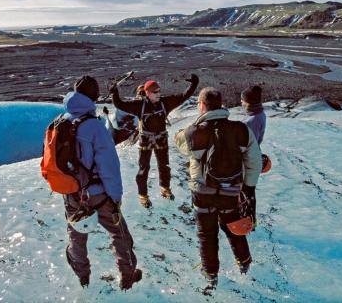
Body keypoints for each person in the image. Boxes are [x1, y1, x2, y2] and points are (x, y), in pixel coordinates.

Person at [174, 87, 261, 290]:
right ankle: (245, 264)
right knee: (233, 228)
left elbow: (179, 143)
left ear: (202, 105)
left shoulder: (196, 132)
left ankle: (211, 277)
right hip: (231, 191)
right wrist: (248, 188)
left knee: (207, 234)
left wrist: (196, 123)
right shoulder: (240, 129)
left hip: (202, 192)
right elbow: (254, 162)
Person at [62, 75, 141, 290]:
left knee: (77, 234)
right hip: (97, 193)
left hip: (70, 192)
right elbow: (109, 167)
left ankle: (83, 277)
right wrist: (115, 198)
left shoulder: (62, 121)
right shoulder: (94, 127)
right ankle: (127, 275)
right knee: (118, 232)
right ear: (94, 96)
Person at [110, 74, 199, 208]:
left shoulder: (165, 103)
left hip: (161, 140)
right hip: (146, 141)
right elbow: (120, 104)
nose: (159, 94)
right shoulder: (139, 105)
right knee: (143, 169)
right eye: (155, 92)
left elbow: (183, 96)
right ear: (147, 93)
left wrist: (193, 84)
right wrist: (115, 93)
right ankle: (143, 196)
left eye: (159, 91)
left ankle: (165, 189)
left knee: (164, 167)